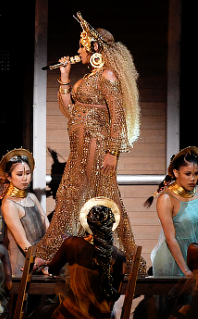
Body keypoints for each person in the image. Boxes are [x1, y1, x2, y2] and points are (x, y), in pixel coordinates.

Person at [35, 12, 144, 274]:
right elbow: (71, 111)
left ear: (94, 47)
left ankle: (48, 253)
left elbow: (117, 115)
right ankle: (55, 253)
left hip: (96, 145)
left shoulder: (107, 76)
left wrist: (113, 153)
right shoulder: (88, 77)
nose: (78, 51)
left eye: (81, 46)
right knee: (71, 195)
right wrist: (64, 79)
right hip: (79, 147)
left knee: (90, 195)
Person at [43, 197, 126, 319]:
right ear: (112, 224)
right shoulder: (119, 256)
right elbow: (115, 295)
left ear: (87, 222)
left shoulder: (71, 243)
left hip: (72, 317)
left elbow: (53, 269)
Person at [148, 146, 198, 277]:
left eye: (196, 173)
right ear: (176, 173)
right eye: (188, 174)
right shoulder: (166, 198)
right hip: (173, 261)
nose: (193, 178)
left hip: (195, 257)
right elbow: (170, 237)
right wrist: (186, 271)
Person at [0, 148, 48, 275]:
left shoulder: (31, 197)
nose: (25, 178)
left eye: (28, 173)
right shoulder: (9, 204)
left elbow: (46, 223)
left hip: (41, 261)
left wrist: (50, 253)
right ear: (9, 177)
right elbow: (22, 241)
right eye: (20, 174)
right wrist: (38, 260)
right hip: (22, 266)